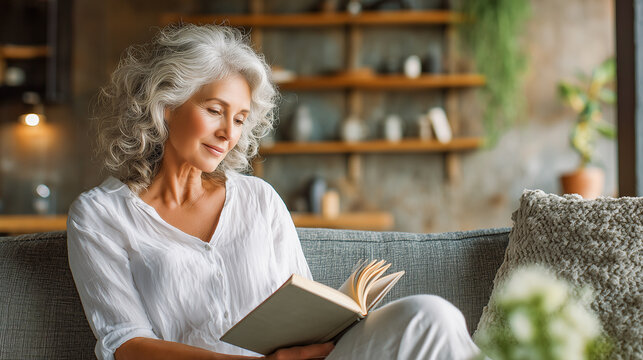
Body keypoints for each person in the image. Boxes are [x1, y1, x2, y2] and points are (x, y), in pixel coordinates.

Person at [67, 24, 483, 360]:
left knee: (431, 316)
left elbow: (303, 308)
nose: (229, 133)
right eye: (215, 111)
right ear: (168, 103)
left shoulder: (258, 199)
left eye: (241, 118)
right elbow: (124, 343)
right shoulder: (99, 216)